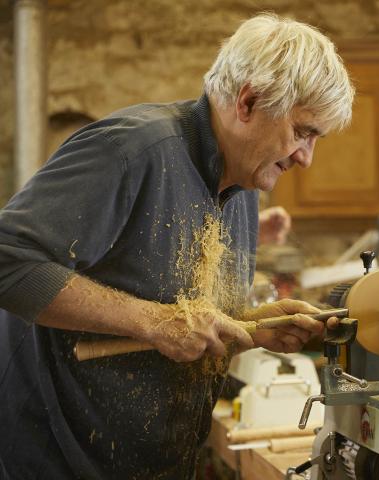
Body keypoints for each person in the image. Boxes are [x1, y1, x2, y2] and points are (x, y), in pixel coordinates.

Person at [0, 13, 354, 479]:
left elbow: (184, 326)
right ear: (248, 102)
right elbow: (9, 258)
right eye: (303, 132)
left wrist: (249, 330)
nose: (306, 158)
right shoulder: (133, 150)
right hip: (57, 462)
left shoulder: (243, 190)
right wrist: (154, 321)